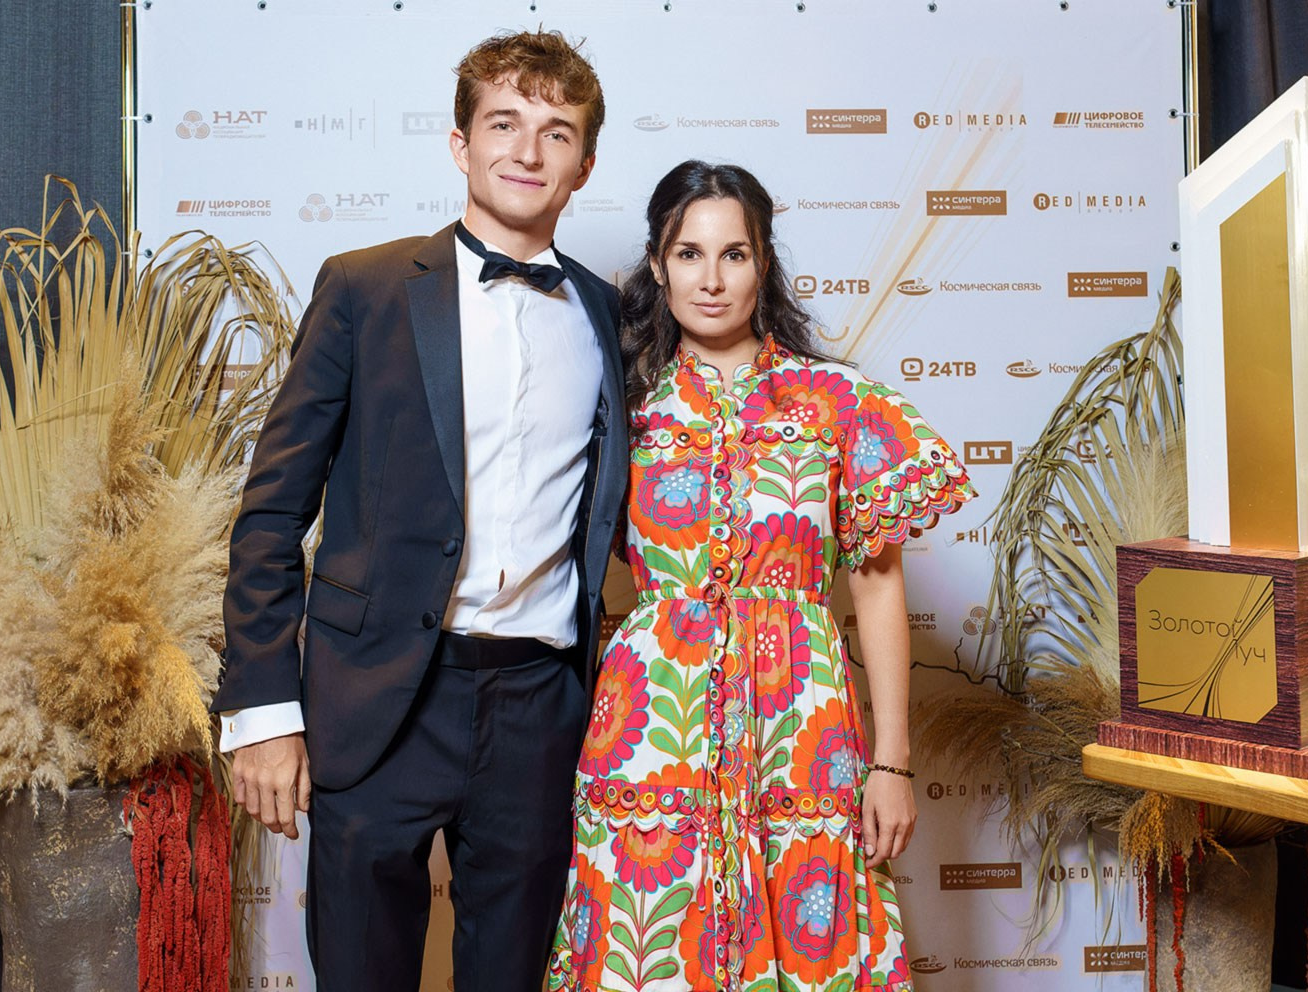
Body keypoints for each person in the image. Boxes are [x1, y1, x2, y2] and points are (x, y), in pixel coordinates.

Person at [213, 30, 626, 992]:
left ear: (584, 165)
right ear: (460, 143)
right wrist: (262, 710)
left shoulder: (609, 315)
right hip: (379, 696)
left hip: (540, 706)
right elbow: (271, 513)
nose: (528, 151)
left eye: (557, 132)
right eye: (504, 124)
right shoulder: (364, 288)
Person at [547, 161, 974, 992]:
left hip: (802, 728)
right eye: (689, 254)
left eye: (733, 254)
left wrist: (891, 763)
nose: (711, 279)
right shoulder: (619, 408)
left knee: (815, 944)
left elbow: (877, 586)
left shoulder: (841, 403)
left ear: (764, 263)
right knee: (649, 947)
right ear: (657, 264)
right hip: (651, 730)